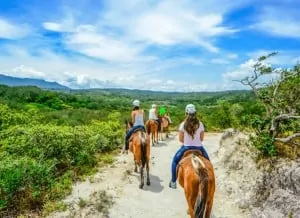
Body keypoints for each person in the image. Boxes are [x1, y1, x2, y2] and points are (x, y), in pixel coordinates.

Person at [169, 104, 210, 189]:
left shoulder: (183, 124)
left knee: (174, 161)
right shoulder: (200, 124)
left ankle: (173, 182)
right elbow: (202, 139)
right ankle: (210, 180)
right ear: (195, 112)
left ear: (186, 113)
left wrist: (188, 142)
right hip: (199, 148)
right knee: (208, 162)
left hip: (186, 148)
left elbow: (180, 140)